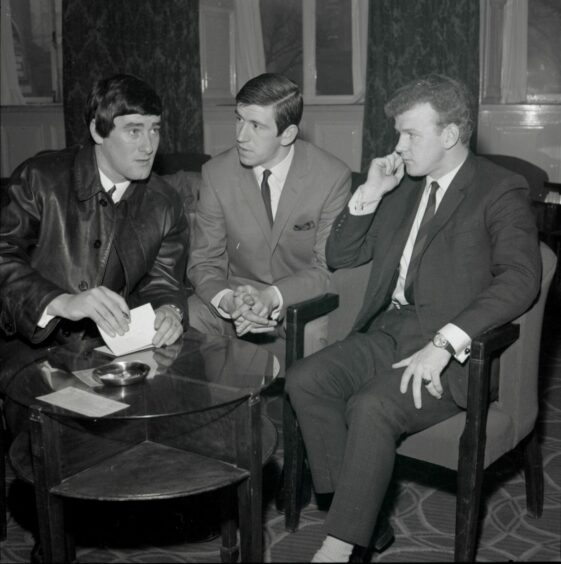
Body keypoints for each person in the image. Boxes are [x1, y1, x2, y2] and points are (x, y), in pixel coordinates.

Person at [285, 74, 542, 562]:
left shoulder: (499, 189)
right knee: (305, 379)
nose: (398, 147)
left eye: (410, 135)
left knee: (371, 407)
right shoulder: (402, 188)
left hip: (450, 351)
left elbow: (520, 278)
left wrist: (445, 343)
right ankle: (364, 520)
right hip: (389, 330)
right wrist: (371, 191)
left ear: (449, 135)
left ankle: (341, 545)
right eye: (398, 134)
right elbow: (340, 255)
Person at [0, 73, 190, 427]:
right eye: (134, 130)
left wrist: (169, 311)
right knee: (55, 428)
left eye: (155, 129)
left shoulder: (165, 202)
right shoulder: (40, 179)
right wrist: (61, 301)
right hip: (33, 346)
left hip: (116, 351)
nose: (149, 145)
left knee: (169, 417)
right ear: (98, 132)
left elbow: (163, 282)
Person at [187, 73, 351, 360]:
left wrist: (272, 297)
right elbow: (204, 263)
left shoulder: (331, 177)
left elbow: (326, 270)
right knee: (189, 315)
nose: (240, 136)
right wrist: (228, 301)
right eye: (238, 119)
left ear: (287, 134)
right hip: (234, 302)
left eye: (256, 126)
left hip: (295, 305)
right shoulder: (216, 174)